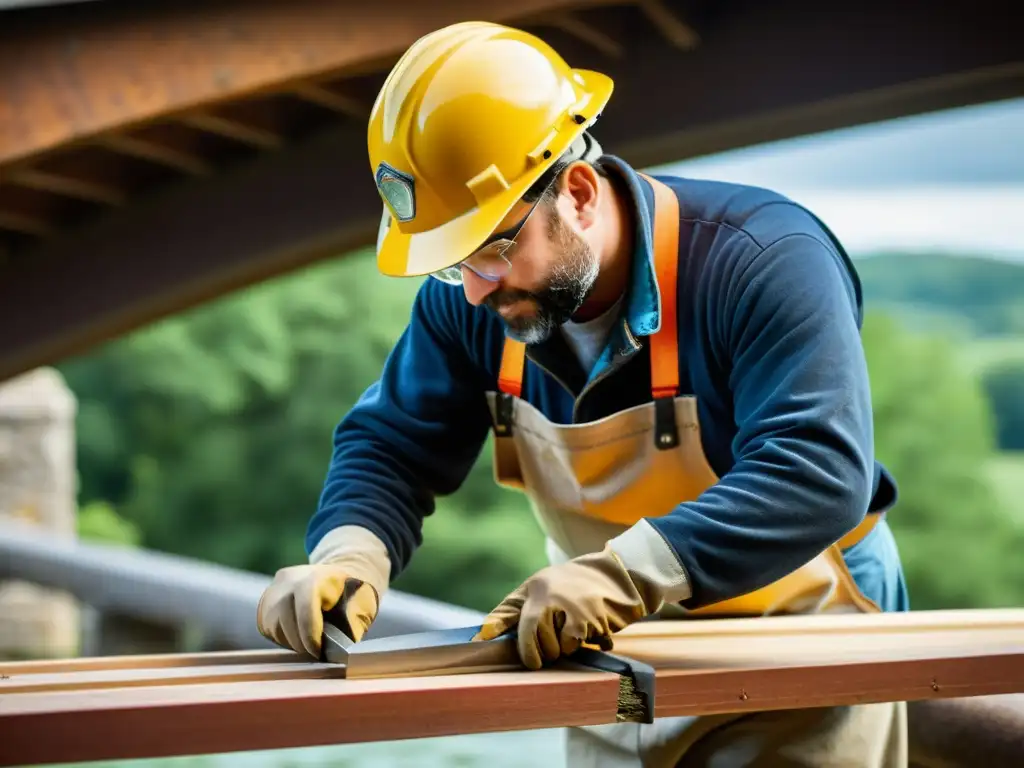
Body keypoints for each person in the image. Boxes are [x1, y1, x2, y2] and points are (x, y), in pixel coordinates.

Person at [257, 20, 910, 767]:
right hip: (613, 661)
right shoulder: (474, 300)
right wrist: (348, 553)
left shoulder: (763, 262)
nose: (473, 291)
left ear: (576, 192)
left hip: (797, 646)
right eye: (451, 265)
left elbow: (818, 469)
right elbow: (391, 447)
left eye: (494, 250)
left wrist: (621, 574)